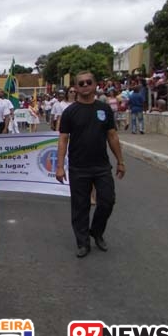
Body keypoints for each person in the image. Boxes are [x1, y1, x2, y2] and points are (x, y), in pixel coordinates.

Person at [56, 71, 126, 258]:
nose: (85, 85)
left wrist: (120, 161)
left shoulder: (104, 109)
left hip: (101, 166)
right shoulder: (70, 112)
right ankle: (83, 243)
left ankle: (96, 231)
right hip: (78, 167)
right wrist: (60, 166)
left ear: (95, 85)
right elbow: (63, 139)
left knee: (107, 201)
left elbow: (112, 136)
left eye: (89, 82)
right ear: (76, 88)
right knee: (80, 207)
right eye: (81, 83)